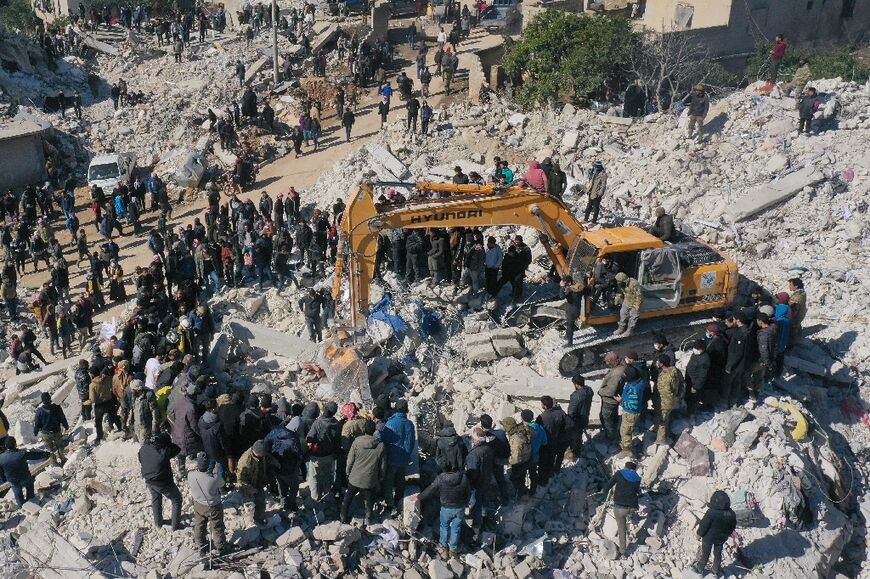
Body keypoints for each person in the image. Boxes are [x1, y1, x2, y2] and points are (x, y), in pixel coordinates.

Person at [414, 458, 470, 559]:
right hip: (459, 508)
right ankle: (453, 550)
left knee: (444, 527)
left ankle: (443, 548)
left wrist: (419, 497)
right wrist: (465, 503)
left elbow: (430, 490)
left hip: (446, 507)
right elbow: (468, 493)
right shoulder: (464, 477)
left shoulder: (441, 478)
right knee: (456, 528)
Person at [340, 419, 384, 524]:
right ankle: (369, 518)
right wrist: (380, 477)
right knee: (369, 500)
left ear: (363, 429)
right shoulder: (380, 445)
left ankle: (343, 517)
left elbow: (350, 459)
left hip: (355, 477)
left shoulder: (357, 441)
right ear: (374, 431)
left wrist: (347, 472)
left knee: (348, 499)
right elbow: (382, 465)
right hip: (369, 479)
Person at [139, 432, 183, 529]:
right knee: (177, 499)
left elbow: (140, 459)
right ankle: (175, 526)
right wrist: (169, 445)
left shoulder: (144, 448)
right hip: (162, 482)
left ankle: (158, 523)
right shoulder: (164, 452)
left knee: (156, 499)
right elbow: (177, 449)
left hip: (148, 480)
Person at [381, 399, 416, 515]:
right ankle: (398, 500)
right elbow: (411, 443)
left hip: (391, 457)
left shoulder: (390, 423)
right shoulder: (409, 424)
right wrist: (407, 454)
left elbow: (384, 440)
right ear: (406, 410)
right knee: (400, 481)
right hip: (403, 458)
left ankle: (389, 504)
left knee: (389, 481)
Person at [188, 451, 226, 554]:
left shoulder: (190, 475)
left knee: (199, 524)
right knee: (217, 527)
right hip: (213, 506)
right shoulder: (213, 479)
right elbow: (222, 483)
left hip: (198, 504)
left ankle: (201, 545)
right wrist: (217, 471)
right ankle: (220, 547)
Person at [601, 461, 641, 556]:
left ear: (625, 467)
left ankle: (622, 551)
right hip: (632, 507)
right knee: (628, 515)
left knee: (621, 528)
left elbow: (609, 484)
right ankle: (629, 521)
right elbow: (637, 491)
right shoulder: (638, 478)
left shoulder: (619, 473)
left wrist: (604, 491)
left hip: (620, 507)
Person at [693, 490, 738, 575]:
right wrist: (726, 535)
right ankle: (715, 571)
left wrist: (699, 534)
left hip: (708, 538)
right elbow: (732, 527)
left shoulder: (711, 512)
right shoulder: (731, 514)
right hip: (721, 538)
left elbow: (704, 525)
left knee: (705, 554)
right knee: (717, 554)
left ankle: (699, 568)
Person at [306, 401, 341, 502]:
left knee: (314, 478)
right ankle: (327, 497)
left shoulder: (318, 422)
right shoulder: (336, 424)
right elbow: (338, 441)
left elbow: (309, 437)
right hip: (330, 455)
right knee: (327, 476)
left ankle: (315, 499)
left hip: (317, 456)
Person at [236, 440, 276, 524]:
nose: (263, 455)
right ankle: (251, 521)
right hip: (250, 485)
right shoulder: (245, 461)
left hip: (259, 481)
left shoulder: (261, 453)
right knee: (252, 504)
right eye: (262, 454)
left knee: (261, 502)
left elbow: (268, 457)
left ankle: (259, 519)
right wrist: (250, 489)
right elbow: (240, 480)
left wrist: (276, 462)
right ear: (256, 452)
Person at [536, 395, 568, 485]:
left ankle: (542, 480)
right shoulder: (560, 412)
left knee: (543, 462)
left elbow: (536, 430)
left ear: (544, 406)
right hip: (556, 440)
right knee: (551, 458)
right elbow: (568, 424)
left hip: (545, 443)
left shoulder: (541, 417)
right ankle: (550, 473)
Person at [653, 354, 683, 447]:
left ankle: (660, 439)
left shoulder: (664, 378)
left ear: (662, 364)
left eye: (658, 362)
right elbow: (682, 381)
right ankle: (662, 430)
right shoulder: (675, 370)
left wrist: (664, 405)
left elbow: (665, 394)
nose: (657, 363)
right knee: (665, 418)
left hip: (665, 402)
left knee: (663, 419)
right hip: (673, 398)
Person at [33, 392, 69, 466]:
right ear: (50, 398)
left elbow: (37, 424)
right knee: (60, 446)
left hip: (46, 434)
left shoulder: (39, 411)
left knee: (50, 450)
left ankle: (54, 464)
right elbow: (62, 418)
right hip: (56, 431)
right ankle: (63, 460)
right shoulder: (57, 407)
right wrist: (66, 426)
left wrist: (35, 432)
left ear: (42, 401)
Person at [0, 437, 37, 507]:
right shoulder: (21, 453)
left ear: (5, 445)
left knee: (18, 493)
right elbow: (34, 456)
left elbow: (1, 472)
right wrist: (47, 454)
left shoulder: (1, 457)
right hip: (25, 477)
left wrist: (4, 479)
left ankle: (21, 506)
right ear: (15, 444)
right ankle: (31, 502)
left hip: (13, 480)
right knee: (29, 486)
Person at [723, 312, 750, 407]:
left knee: (729, 383)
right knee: (737, 383)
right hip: (742, 364)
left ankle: (726, 402)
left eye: (734, 319)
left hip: (736, 365)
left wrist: (729, 366)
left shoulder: (740, 334)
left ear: (738, 320)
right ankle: (734, 400)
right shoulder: (747, 330)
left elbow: (738, 353)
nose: (733, 320)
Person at [618, 365, 645, 458]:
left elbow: (633, 405)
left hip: (630, 413)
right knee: (626, 430)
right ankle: (626, 445)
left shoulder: (634, 389)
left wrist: (621, 401)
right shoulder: (638, 382)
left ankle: (626, 450)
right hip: (631, 412)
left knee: (625, 431)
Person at [598, 351, 625, 444]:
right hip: (613, 400)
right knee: (612, 418)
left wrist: (600, 391)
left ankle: (611, 438)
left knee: (607, 419)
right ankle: (613, 434)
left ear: (613, 361)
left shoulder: (616, 373)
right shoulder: (618, 368)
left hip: (610, 401)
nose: (607, 364)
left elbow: (611, 391)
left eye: (608, 362)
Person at [502, 416, 531, 497]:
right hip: (526, 459)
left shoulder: (516, 439)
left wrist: (504, 461)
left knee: (515, 479)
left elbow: (515, 459)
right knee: (521, 477)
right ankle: (522, 491)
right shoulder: (520, 429)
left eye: (505, 426)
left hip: (520, 462)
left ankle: (520, 494)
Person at [566, 374, 592, 456]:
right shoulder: (589, 391)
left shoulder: (576, 396)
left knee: (573, 436)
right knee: (580, 433)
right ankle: (579, 448)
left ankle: (573, 452)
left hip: (576, 419)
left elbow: (571, 411)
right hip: (585, 417)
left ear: (576, 384)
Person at [685, 339, 711, 420]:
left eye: (697, 348)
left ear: (702, 349)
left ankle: (691, 415)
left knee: (694, 400)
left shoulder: (705, 359)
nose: (695, 350)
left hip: (695, 384)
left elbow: (702, 376)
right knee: (688, 398)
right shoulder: (696, 354)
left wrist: (695, 387)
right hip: (689, 380)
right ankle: (687, 410)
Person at [613, 272, 642, 337]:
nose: (617, 282)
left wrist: (637, 306)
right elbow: (620, 291)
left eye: (618, 281)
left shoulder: (634, 283)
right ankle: (621, 328)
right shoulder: (621, 284)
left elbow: (639, 296)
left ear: (623, 280)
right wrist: (617, 298)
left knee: (633, 316)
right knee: (623, 313)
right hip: (627, 300)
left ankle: (630, 331)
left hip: (635, 302)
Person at [562, 275, 584, 346]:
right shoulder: (580, 288)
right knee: (570, 324)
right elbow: (588, 291)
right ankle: (567, 336)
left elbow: (561, 296)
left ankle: (570, 343)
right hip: (577, 309)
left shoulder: (569, 290)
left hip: (571, 310)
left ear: (568, 283)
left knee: (569, 326)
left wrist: (562, 287)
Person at [788, 277, 807, 344]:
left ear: (796, 286)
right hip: (801, 313)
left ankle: (791, 345)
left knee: (792, 331)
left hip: (796, 316)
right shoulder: (802, 293)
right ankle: (799, 336)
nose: (789, 286)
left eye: (790, 285)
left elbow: (792, 309)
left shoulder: (796, 297)